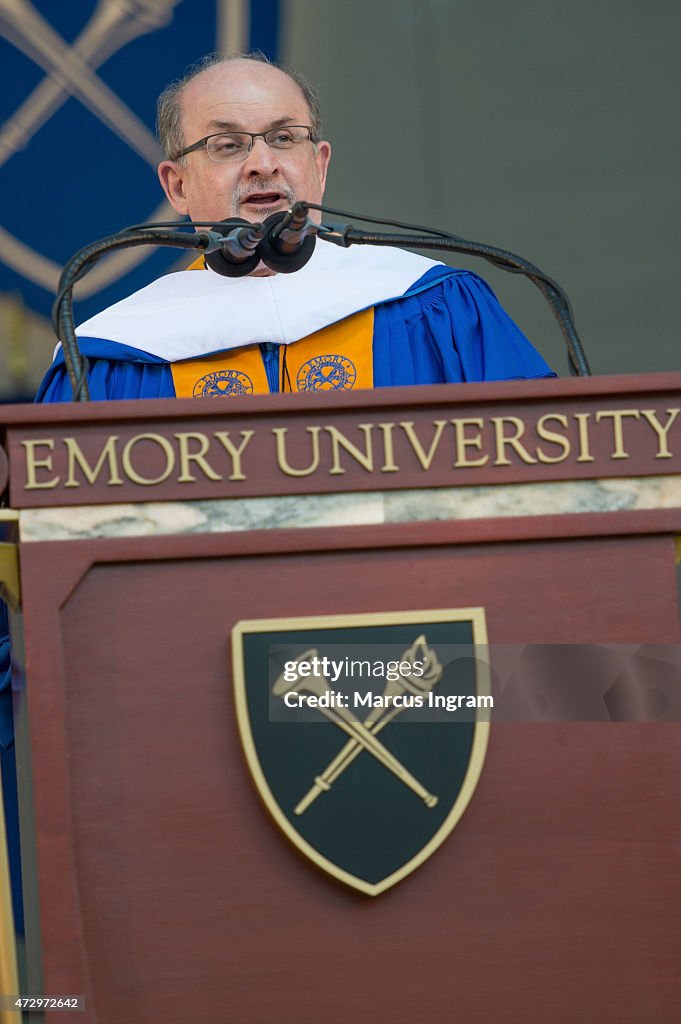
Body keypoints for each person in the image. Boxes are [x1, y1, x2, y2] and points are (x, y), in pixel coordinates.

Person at [37, 51, 555, 403]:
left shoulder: (435, 305)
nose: (263, 163)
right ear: (176, 187)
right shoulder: (107, 357)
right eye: (227, 145)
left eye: (285, 138)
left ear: (320, 166)